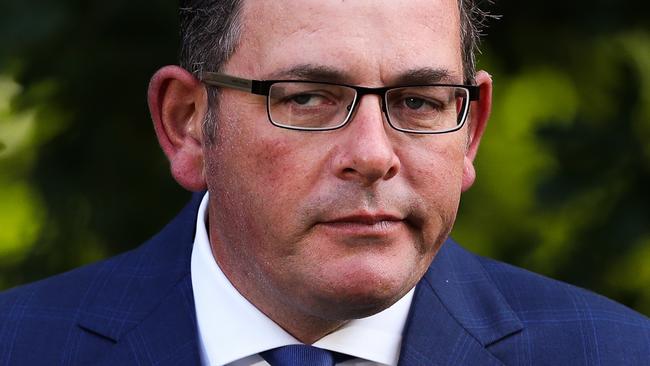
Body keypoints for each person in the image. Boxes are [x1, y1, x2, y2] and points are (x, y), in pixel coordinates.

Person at [1, 0, 648, 365]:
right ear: (189, 125)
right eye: (309, 97)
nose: (372, 155)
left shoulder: (612, 354)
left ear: (470, 131)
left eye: (419, 101)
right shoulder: (23, 346)